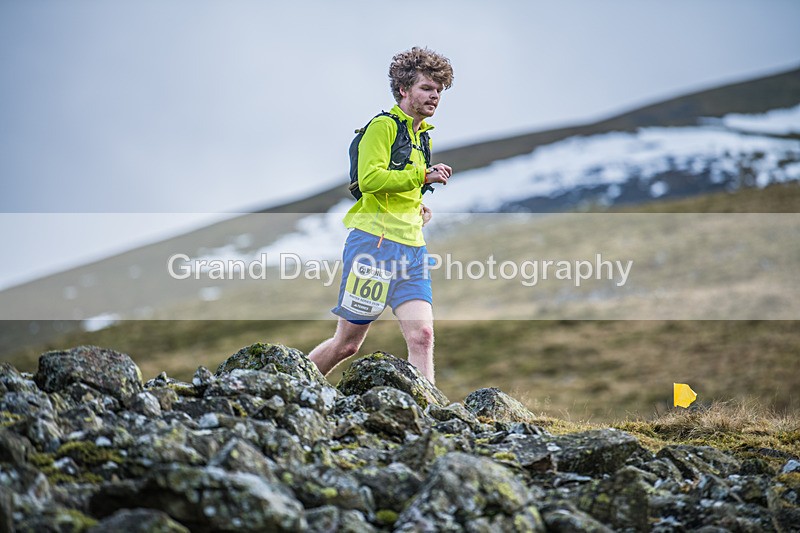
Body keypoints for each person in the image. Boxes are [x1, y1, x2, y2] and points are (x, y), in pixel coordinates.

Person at [308, 47, 454, 384]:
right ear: (404, 90)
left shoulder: (421, 137)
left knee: (423, 336)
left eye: (438, 90)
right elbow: (370, 178)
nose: (434, 97)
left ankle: (428, 420)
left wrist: (416, 206)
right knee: (347, 344)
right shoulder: (383, 127)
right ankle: (295, 385)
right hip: (374, 246)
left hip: (412, 250)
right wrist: (421, 177)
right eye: (426, 89)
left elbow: (398, 187)